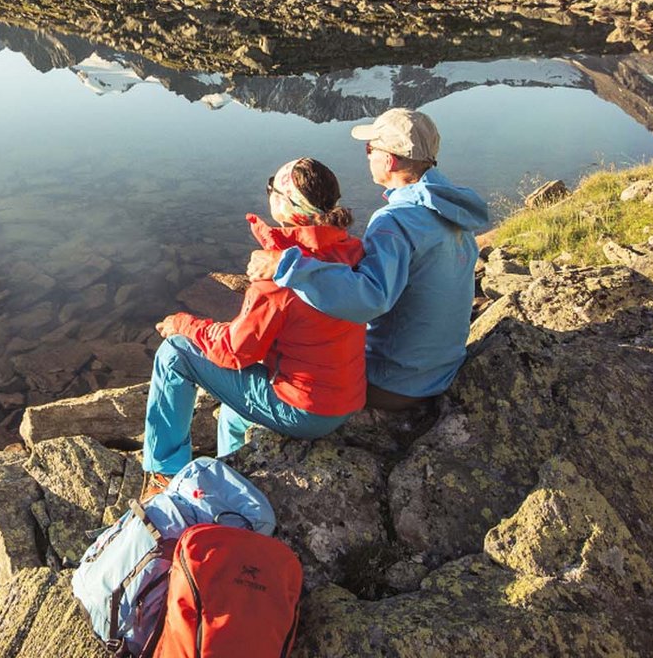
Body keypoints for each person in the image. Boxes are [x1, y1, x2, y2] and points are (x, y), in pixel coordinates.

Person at [141, 158, 369, 496]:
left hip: (305, 411)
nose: (269, 194)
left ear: (285, 204)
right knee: (234, 414)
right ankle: (231, 472)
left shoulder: (278, 278)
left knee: (175, 352)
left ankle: (163, 473)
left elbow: (234, 352)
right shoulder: (349, 250)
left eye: (271, 188)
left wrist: (184, 324)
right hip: (345, 399)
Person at [247, 109, 487, 410]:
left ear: (390, 160)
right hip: (440, 371)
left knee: (279, 366)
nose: (367, 155)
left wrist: (284, 265)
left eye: (370, 149)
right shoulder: (451, 208)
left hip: (395, 382)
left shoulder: (396, 220)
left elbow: (369, 299)